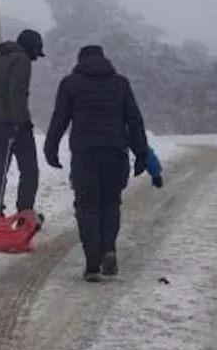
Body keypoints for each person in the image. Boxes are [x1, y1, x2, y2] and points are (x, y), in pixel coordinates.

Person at [43, 44, 159, 282]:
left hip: (85, 153)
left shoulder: (70, 84)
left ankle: (92, 263)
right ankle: (108, 249)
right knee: (110, 203)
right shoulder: (120, 83)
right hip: (115, 152)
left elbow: (59, 118)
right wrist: (141, 153)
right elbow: (134, 120)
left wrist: (50, 147)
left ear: (80, 61)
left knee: (87, 205)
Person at [0, 29, 44, 218]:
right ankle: (24, 213)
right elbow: (17, 92)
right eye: (36, 53)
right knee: (29, 170)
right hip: (13, 124)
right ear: (31, 48)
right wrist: (20, 122)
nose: (36, 59)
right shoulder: (21, 60)